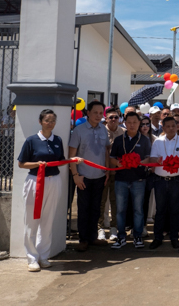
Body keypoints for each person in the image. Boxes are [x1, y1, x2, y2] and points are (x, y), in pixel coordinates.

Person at [18, 109, 80, 271]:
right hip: (35, 182)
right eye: (47, 120)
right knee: (32, 220)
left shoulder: (57, 140)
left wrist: (72, 160)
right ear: (40, 121)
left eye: (53, 120)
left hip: (54, 181)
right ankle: (31, 257)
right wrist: (37, 164)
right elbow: (21, 163)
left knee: (48, 220)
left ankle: (43, 256)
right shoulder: (31, 141)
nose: (50, 123)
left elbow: (59, 161)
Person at [69, 100, 109, 252]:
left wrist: (106, 170)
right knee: (83, 208)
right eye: (95, 113)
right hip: (83, 177)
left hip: (99, 176)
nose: (98, 116)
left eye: (101, 113)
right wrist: (75, 175)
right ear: (88, 113)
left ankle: (92, 237)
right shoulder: (79, 131)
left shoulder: (103, 130)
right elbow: (71, 155)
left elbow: (106, 150)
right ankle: (83, 239)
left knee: (95, 209)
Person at [109, 111, 152, 249]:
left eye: (135, 122)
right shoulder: (118, 140)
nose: (132, 125)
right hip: (121, 179)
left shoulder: (144, 140)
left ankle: (137, 236)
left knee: (138, 209)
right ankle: (121, 237)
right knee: (120, 209)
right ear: (125, 123)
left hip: (138, 179)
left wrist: (139, 162)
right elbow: (112, 158)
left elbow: (148, 158)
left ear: (139, 123)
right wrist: (118, 164)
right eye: (129, 122)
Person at [148, 116, 179, 249]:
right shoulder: (158, 142)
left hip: (176, 180)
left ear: (177, 126)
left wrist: (173, 162)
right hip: (160, 180)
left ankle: (174, 238)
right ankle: (158, 238)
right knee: (160, 210)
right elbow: (152, 158)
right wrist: (157, 160)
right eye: (168, 126)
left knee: (174, 210)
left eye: (173, 125)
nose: (171, 128)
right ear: (163, 127)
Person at [98, 107, 125, 242]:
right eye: (111, 117)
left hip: (118, 172)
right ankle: (100, 228)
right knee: (101, 202)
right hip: (102, 171)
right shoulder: (101, 132)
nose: (114, 120)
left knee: (116, 202)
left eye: (116, 117)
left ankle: (114, 228)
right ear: (106, 119)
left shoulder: (124, 132)